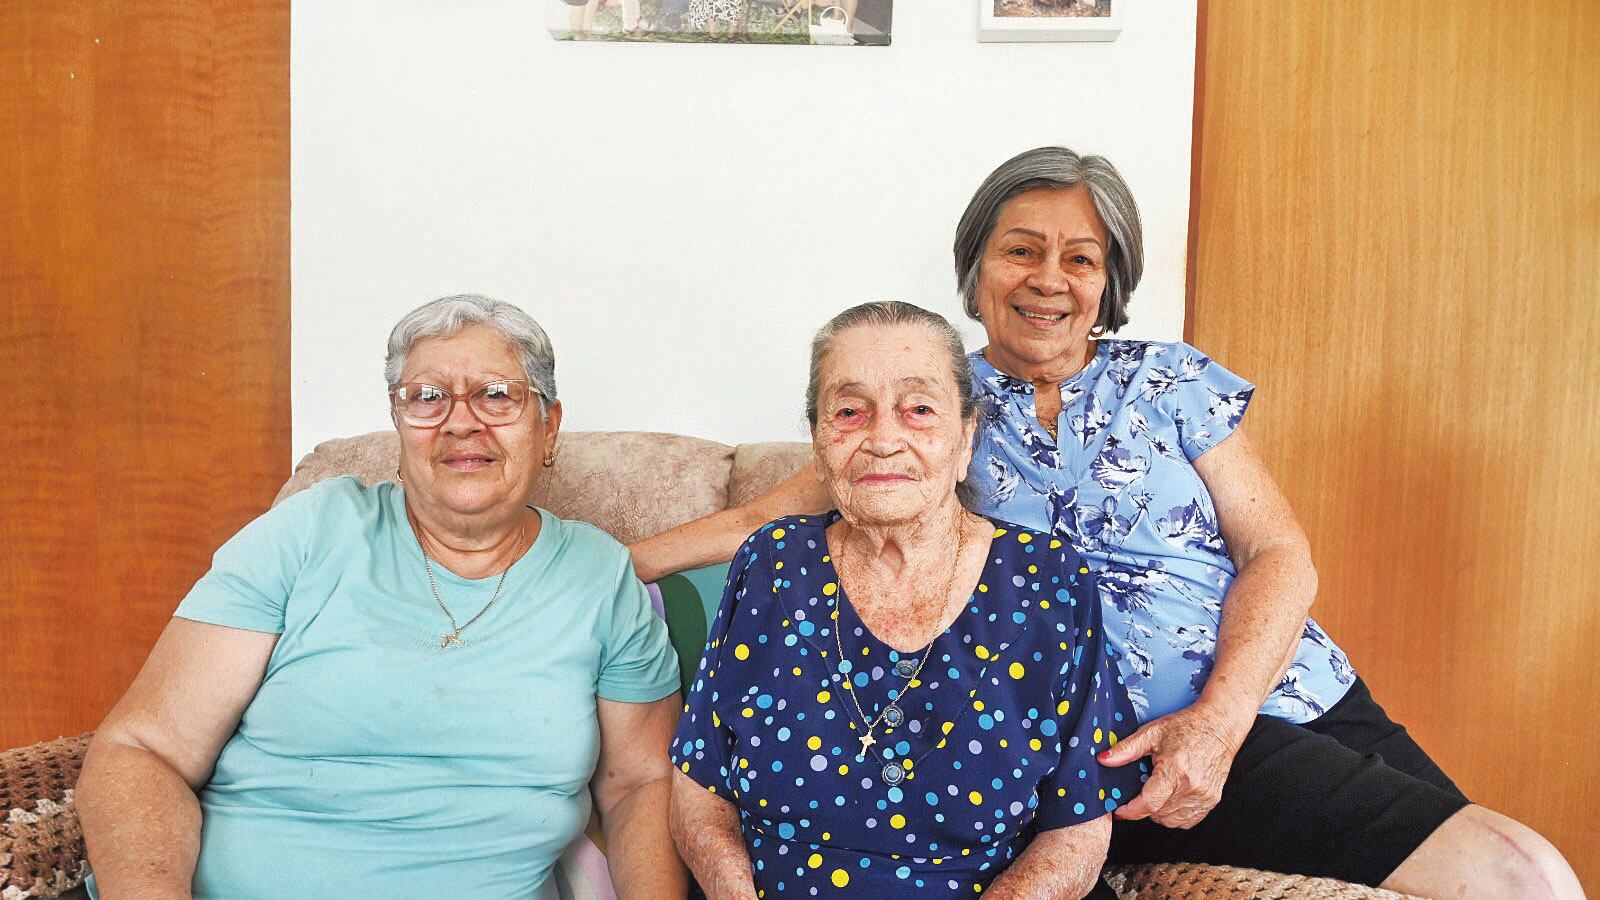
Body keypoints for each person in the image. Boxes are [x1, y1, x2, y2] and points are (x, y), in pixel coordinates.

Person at [635, 149, 1584, 897]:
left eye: (1080, 257)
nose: (1049, 278)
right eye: (1021, 249)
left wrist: (1222, 714)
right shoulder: (932, 405)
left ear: (1109, 279)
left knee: (1505, 864)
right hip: (1140, 739)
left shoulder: (1167, 379)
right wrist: (577, 562)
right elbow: (763, 516)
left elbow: (1280, 553)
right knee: (1518, 873)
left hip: (1290, 689)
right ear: (976, 267)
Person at [78, 294, 687, 899]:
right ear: (400, 424)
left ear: (547, 426)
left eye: (496, 395)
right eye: (427, 396)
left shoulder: (600, 578)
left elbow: (638, 785)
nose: (460, 421)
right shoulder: (313, 532)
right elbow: (143, 749)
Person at [669, 301, 1147, 898]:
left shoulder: (1047, 580)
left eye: (918, 410)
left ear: (965, 438)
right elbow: (699, 785)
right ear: (819, 442)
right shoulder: (771, 564)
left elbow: (1077, 826)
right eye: (849, 411)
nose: (884, 440)